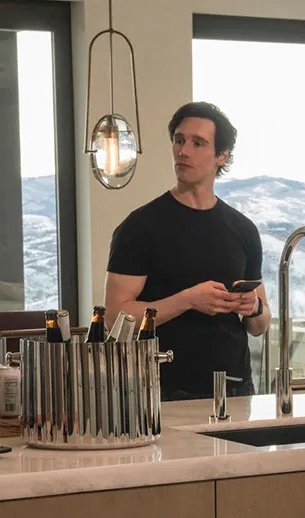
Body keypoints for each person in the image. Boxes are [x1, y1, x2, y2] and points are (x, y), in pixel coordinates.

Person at [105, 101, 270, 400]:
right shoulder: (140, 227)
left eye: (198, 143)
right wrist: (188, 300)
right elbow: (115, 318)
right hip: (161, 391)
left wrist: (253, 307)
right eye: (179, 140)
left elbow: (259, 325)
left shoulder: (243, 229)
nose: (183, 151)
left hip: (235, 388)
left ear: (222, 155)